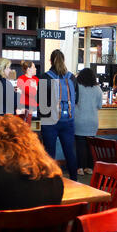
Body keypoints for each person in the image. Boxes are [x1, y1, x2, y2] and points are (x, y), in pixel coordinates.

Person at [37, 49, 78, 181]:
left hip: (50, 120)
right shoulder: (71, 77)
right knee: (70, 152)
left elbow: (40, 100)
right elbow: (76, 99)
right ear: (63, 60)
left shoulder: (45, 77)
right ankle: (74, 180)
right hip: (68, 119)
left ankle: (50, 181)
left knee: (49, 153)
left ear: (50, 61)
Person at [74, 68, 102, 176]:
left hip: (79, 119)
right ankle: (89, 167)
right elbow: (100, 106)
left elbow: (73, 101)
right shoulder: (98, 89)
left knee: (80, 144)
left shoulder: (78, 87)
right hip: (92, 121)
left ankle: (80, 168)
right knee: (91, 145)